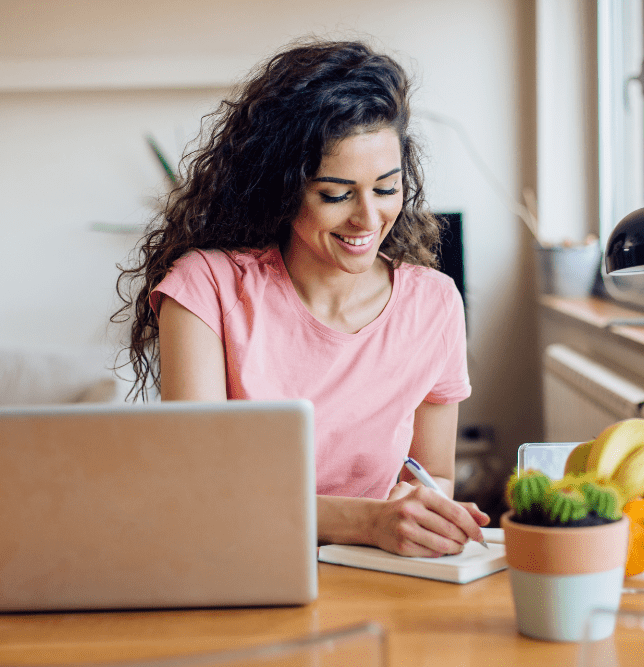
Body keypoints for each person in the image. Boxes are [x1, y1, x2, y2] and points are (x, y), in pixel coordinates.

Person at [114, 38, 488, 557]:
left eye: (386, 189)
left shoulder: (434, 303)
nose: (367, 219)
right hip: (237, 565)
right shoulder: (206, 289)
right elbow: (202, 492)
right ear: (283, 186)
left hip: (379, 576)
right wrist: (367, 520)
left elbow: (436, 474)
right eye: (335, 194)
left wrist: (426, 515)